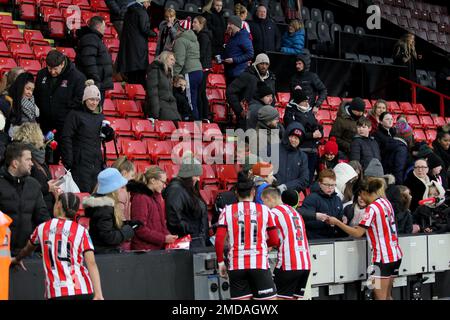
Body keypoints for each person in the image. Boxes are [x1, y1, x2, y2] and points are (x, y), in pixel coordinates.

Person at [11, 193, 104, 300]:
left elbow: (27, 249)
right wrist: (98, 294)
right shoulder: (81, 230)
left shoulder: (42, 228)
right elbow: (91, 263)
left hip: (57, 292)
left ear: (59, 204)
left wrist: (17, 259)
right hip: (82, 289)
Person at [325, 178, 403, 300]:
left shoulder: (371, 208)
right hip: (395, 255)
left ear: (364, 192)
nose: (360, 198)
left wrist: (338, 222)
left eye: (360, 194)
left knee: (378, 296)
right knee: (388, 296)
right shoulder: (385, 202)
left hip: (381, 260)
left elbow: (357, 233)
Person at [215, 172, 279, 300]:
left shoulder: (227, 210)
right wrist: (265, 245)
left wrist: (221, 262)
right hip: (259, 263)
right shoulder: (264, 210)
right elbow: (275, 239)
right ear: (254, 192)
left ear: (236, 193)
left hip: (237, 265)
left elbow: (219, 240)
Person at [35, 50, 86, 164]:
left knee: (66, 158)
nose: (52, 72)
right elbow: (37, 96)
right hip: (45, 125)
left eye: (55, 68)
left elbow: (79, 101)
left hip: (65, 127)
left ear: (62, 64)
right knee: (44, 159)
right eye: (49, 68)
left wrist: (64, 110)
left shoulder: (77, 77)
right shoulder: (41, 74)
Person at [0, 143, 51, 256]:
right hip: (2, 252)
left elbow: (43, 218)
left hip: (26, 253)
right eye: (27, 159)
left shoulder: (33, 185)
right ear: (15, 163)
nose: (32, 163)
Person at [261, 187, 311, 300]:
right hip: (305, 264)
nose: (264, 205)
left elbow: (267, 238)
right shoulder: (295, 211)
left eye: (264, 201)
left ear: (270, 199)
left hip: (289, 264)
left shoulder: (273, 213)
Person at [61, 80, 109, 193]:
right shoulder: (75, 115)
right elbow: (66, 137)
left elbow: (102, 137)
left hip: (96, 162)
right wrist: (69, 160)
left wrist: (109, 134)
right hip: (80, 163)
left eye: (97, 100)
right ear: (85, 99)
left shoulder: (100, 116)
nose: (94, 103)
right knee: (82, 194)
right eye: (91, 99)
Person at [84, 168, 138, 253]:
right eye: (120, 187)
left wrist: (127, 224)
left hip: (103, 252)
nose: (121, 189)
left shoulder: (103, 205)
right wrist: (127, 231)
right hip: (105, 254)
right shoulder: (104, 208)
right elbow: (108, 237)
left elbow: (108, 225)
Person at [12, 123, 60, 213]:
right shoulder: (23, 158)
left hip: (44, 208)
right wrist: (47, 187)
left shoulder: (38, 157)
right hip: (34, 211)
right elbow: (23, 187)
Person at [128, 166, 178, 250]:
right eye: (163, 182)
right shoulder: (141, 198)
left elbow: (161, 224)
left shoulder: (157, 197)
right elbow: (140, 229)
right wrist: (164, 238)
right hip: (144, 250)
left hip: (155, 248)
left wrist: (168, 235)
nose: (164, 186)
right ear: (153, 180)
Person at [163, 156, 209, 249]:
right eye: (196, 175)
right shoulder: (176, 190)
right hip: (187, 243)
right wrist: (192, 230)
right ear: (188, 175)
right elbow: (173, 219)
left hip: (195, 241)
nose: (199, 179)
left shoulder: (188, 189)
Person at [227, 53, 275, 129]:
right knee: (240, 139)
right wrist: (239, 110)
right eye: (261, 63)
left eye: (266, 64)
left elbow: (272, 99)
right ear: (256, 64)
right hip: (247, 119)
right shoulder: (247, 76)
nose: (264, 66)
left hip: (264, 121)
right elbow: (230, 92)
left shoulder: (271, 79)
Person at [283, 88, 322, 182]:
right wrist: (311, 135)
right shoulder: (290, 113)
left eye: (306, 100)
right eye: (304, 101)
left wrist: (319, 132)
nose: (306, 103)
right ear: (297, 101)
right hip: (300, 150)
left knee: (309, 176)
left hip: (312, 150)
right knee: (298, 176)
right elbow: (294, 133)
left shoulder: (309, 111)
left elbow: (316, 125)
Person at [116, 0, 155, 86]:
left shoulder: (128, 11)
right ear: (143, 2)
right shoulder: (142, 12)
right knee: (139, 79)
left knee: (131, 79)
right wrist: (155, 33)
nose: (149, 5)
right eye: (148, 2)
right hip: (139, 51)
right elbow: (145, 28)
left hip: (129, 51)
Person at [75, 16, 113, 102]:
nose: (105, 29)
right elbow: (89, 61)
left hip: (97, 84)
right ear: (99, 26)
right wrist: (96, 81)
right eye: (104, 27)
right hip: (94, 85)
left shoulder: (94, 39)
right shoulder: (91, 38)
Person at [173, 18, 204, 121]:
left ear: (181, 29)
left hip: (189, 72)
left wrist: (174, 75)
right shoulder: (194, 39)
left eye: (177, 28)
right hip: (198, 71)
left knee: (190, 100)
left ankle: (193, 123)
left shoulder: (180, 40)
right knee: (195, 99)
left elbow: (179, 61)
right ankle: (197, 121)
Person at [301, 169, 344, 239]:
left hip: (333, 238)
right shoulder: (311, 198)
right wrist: (326, 222)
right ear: (320, 184)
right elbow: (306, 220)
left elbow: (340, 216)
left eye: (333, 185)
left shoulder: (337, 199)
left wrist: (343, 219)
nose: (330, 188)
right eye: (327, 185)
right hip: (316, 240)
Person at [144, 51, 181, 120]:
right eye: (171, 59)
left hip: (170, 109)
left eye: (174, 60)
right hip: (160, 109)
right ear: (165, 58)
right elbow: (152, 93)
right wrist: (156, 114)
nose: (173, 62)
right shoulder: (155, 70)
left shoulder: (168, 73)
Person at [275, 122, 309, 193]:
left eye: (296, 138)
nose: (293, 140)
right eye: (291, 136)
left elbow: (304, 180)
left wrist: (286, 187)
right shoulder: (272, 149)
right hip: (272, 194)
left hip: (291, 196)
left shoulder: (302, 156)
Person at [222, 15, 254, 84]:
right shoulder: (231, 37)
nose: (228, 26)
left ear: (235, 25)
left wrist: (234, 60)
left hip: (238, 74)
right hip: (230, 73)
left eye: (230, 24)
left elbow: (250, 54)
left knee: (233, 94)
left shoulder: (243, 37)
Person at [192, 15, 213, 120]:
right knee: (201, 92)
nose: (193, 24)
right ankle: (205, 116)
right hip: (204, 67)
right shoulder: (202, 35)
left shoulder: (203, 36)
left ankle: (202, 116)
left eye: (195, 22)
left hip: (202, 67)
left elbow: (201, 53)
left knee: (200, 92)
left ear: (201, 24)